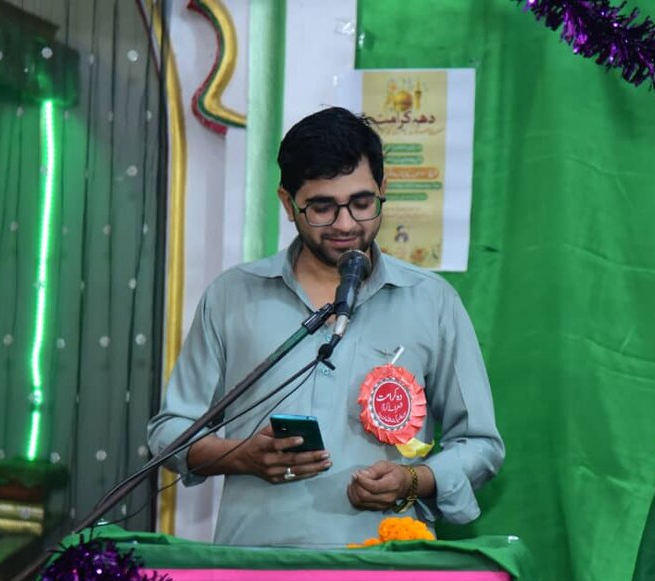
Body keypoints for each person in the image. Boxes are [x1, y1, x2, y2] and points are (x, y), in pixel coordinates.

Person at [147, 107, 504, 547]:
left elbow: (481, 444)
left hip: (385, 564)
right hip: (255, 565)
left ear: (383, 190)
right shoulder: (233, 295)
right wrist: (240, 456)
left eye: (362, 203)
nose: (345, 224)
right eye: (322, 207)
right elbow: (170, 431)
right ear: (288, 202)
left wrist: (414, 480)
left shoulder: (431, 301)